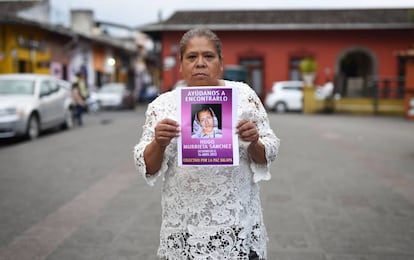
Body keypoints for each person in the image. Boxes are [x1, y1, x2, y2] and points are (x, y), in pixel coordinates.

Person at [133, 27, 280, 260]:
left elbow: (267, 153)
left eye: (208, 56)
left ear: (221, 63)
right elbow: (148, 167)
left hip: (237, 225)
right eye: (192, 57)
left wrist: (254, 141)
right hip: (184, 228)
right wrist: (158, 143)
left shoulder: (243, 95)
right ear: (180, 65)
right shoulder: (162, 106)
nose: (200, 63)